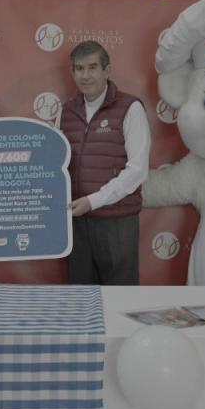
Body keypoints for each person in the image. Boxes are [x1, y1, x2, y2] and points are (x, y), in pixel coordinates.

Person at [60, 41, 151, 285]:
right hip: (77, 223)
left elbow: (138, 170)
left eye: (92, 67)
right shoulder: (66, 111)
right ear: (72, 72)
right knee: (81, 296)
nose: (85, 75)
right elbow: (48, 157)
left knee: (121, 296)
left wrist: (93, 201)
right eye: (79, 68)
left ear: (107, 71)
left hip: (116, 223)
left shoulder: (130, 108)